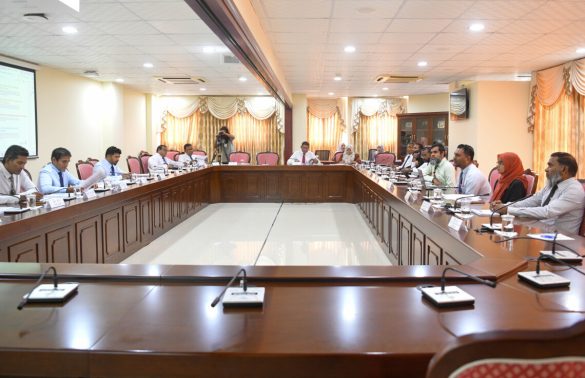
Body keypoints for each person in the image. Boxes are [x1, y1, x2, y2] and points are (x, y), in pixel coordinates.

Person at [499, 152, 585, 235]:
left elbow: (547, 212)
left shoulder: (574, 190)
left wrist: (508, 210)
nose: (546, 169)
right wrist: (505, 206)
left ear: (564, 169)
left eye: (550, 165)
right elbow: (533, 200)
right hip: (543, 231)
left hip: (561, 240)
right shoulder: (552, 184)